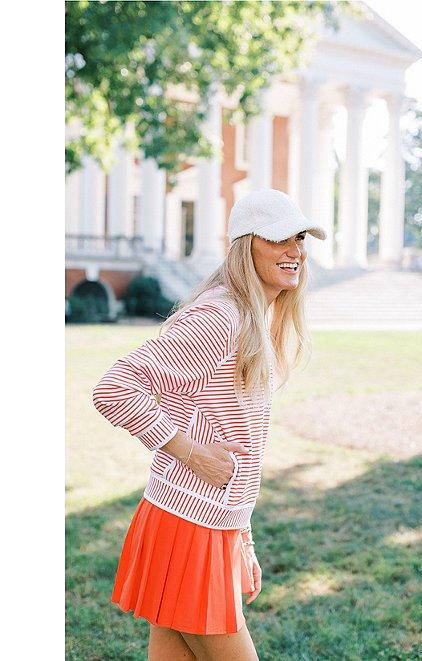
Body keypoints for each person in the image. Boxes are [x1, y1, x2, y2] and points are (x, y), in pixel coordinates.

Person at [92, 188, 327, 661]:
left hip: (204, 523)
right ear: (245, 246)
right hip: (187, 526)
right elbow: (114, 388)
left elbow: (240, 441)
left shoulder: (250, 318)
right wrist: (191, 452)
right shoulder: (220, 317)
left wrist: (242, 538)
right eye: (279, 238)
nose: (295, 251)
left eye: (300, 238)